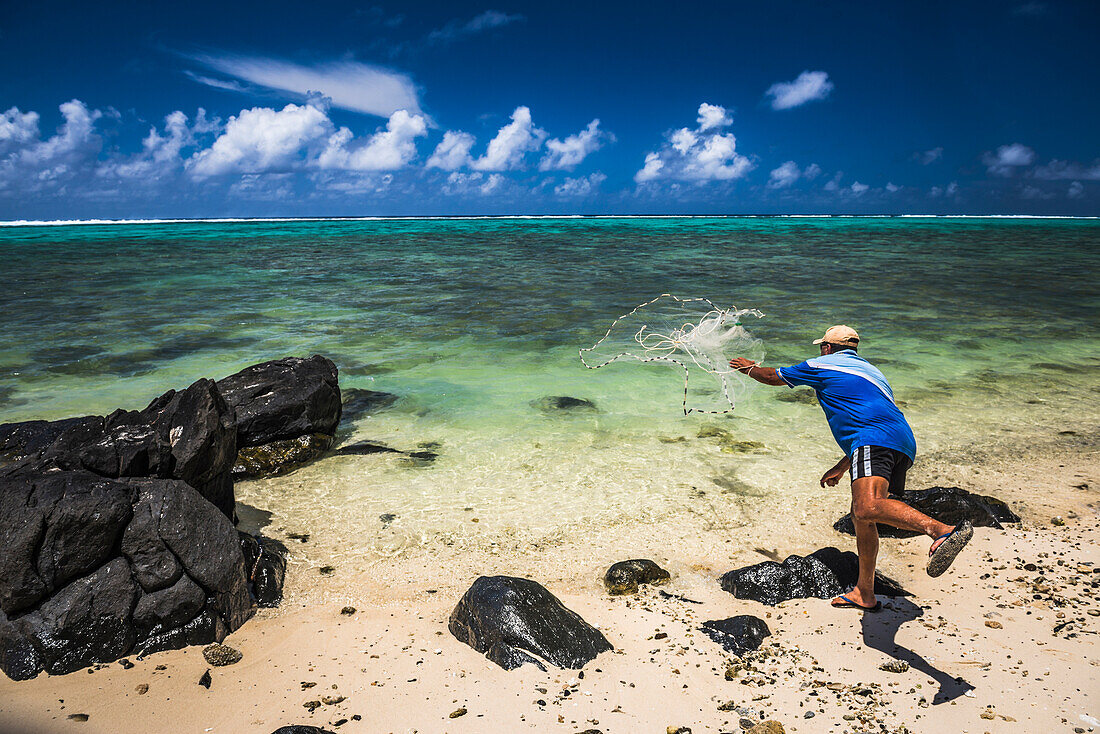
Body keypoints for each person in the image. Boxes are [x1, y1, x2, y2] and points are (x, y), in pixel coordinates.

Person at [729, 325, 972, 612]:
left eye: (821, 346)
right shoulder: (872, 372)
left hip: (873, 440)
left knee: (868, 507)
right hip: (900, 442)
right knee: (862, 518)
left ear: (826, 348)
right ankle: (864, 592)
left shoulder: (822, 364)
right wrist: (844, 465)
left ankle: (940, 530)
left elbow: (773, 376)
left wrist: (749, 368)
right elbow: (871, 415)